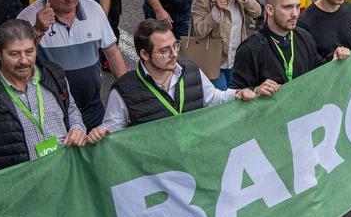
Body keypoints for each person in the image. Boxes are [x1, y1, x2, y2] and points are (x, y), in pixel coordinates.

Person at [229, 0, 351, 217]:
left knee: (309, 190)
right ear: (270, 10)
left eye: (297, 6)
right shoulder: (252, 48)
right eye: (287, 7)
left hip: (301, 133)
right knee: (263, 198)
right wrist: (255, 91)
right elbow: (235, 94)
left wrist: (335, 58)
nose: (295, 12)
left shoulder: (304, 38)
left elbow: (316, 69)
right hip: (267, 138)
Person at [0, 19, 88, 191]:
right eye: (15, 54)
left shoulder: (54, 75)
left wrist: (77, 128)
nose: (24, 60)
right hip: (19, 192)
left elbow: (71, 110)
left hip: (64, 179)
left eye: (29, 52)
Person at [88, 19, 257, 139]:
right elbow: (112, 134)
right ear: (144, 54)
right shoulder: (124, 90)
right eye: (164, 50)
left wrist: (238, 94)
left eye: (175, 45)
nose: (174, 54)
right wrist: (100, 134)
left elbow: (212, 98)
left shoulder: (190, 69)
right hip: (157, 172)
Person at [17, 0, 128, 130]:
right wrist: (37, 30)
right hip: (51, 112)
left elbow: (112, 53)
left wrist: (129, 89)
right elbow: (15, 64)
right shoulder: (27, 17)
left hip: (93, 109)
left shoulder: (94, 9)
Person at [186, 0, 262, 90]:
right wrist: (215, 12)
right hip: (213, 61)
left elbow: (257, 12)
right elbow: (199, 31)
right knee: (220, 101)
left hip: (237, 60)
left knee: (236, 98)